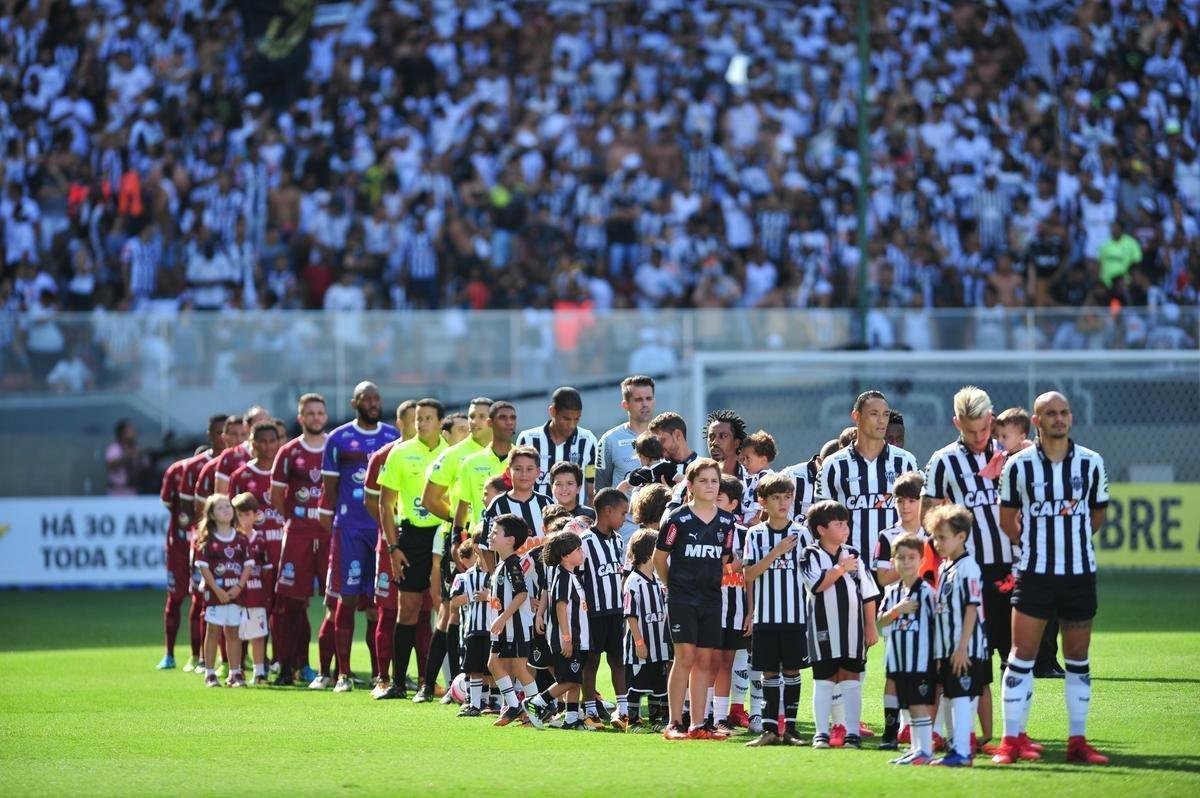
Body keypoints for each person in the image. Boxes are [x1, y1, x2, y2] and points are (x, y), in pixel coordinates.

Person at [994, 391, 1110, 766]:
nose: (1059, 419)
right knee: (1021, 656)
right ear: (1036, 420)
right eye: (1051, 413)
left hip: (1078, 575)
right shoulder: (1019, 466)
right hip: (1034, 573)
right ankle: (1011, 741)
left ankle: (1078, 741)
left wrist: (1069, 544)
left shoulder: (1092, 463)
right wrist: (1037, 545)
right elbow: (1007, 519)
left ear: (1070, 418)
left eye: (1064, 412)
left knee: (1078, 658)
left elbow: (1096, 517)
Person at [818, 390, 917, 740]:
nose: (880, 421)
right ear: (856, 416)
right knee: (848, 648)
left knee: (905, 645)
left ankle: (906, 725)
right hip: (850, 569)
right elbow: (823, 518)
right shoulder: (834, 466)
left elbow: (916, 515)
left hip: (897, 569)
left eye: (885, 414)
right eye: (873, 413)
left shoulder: (905, 461)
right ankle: (842, 722)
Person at [921, 386, 1013, 752]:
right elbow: (929, 517)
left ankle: (1012, 736)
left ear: (991, 420)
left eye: (983, 429)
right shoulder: (942, 461)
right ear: (956, 423)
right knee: (962, 653)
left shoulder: (1013, 455)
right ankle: (960, 732)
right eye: (970, 430)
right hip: (962, 573)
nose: (978, 438)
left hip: (1007, 567)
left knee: (1011, 653)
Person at [319, 381, 400, 693]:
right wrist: (344, 519)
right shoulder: (338, 438)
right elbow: (329, 491)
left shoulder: (392, 437)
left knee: (378, 604)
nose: (373, 402)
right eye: (366, 397)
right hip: (350, 530)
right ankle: (343, 673)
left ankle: (382, 673)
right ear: (354, 402)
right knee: (346, 598)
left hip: (381, 530)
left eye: (377, 397)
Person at [654, 457, 738, 741]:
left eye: (715, 480)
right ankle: (675, 722)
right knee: (685, 657)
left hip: (712, 599)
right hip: (682, 600)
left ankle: (699, 723)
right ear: (689, 485)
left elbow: (724, 558)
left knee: (706, 659)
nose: (710, 485)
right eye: (703, 480)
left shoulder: (727, 521)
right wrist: (673, 587)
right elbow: (659, 558)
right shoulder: (677, 519)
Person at [419, 398, 494, 704]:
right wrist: (460, 529)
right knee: (452, 613)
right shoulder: (457, 456)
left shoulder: (512, 454)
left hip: (500, 548)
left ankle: (494, 687)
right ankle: (446, 684)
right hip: (469, 547)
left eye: (480, 417)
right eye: (471, 416)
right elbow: (431, 498)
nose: (474, 421)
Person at [378, 398, 449, 701]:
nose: (421, 424)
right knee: (407, 609)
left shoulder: (451, 452)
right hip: (411, 537)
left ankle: (439, 684)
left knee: (445, 609)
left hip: (443, 533)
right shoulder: (400, 452)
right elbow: (385, 502)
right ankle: (397, 682)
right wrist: (393, 547)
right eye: (418, 418)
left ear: (439, 421)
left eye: (428, 418)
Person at [801, 499, 880, 749]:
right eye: (838, 524)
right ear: (822, 529)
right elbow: (816, 585)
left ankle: (852, 733)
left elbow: (868, 593)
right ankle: (822, 733)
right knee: (824, 679)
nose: (845, 528)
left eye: (846, 523)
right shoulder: (810, 554)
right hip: (822, 628)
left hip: (853, 630)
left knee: (851, 678)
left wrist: (870, 626)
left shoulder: (854, 554)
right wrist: (840, 568)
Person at [742, 472, 813, 748]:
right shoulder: (756, 534)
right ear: (764, 502)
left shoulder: (803, 533)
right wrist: (776, 551)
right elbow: (748, 574)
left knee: (792, 670)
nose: (782, 503)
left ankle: (791, 729)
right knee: (769, 672)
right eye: (775, 498)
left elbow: (811, 574)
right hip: (766, 616)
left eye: (786, 497)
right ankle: (770, 730)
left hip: (795, 615)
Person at [995, 406, 1063, 678]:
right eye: (998, 436)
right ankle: (1034, 661)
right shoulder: (1002, 463)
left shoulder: (1031, 462)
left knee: (1051, 607)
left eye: (1004, 436)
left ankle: (1049, 659)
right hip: (1015, 550)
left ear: (1023, 435)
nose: (999, 442)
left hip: (1039, 545)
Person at [270, 393, 329, 687]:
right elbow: (277, 497)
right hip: (298, 536)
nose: (316, 417)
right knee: (293, 604)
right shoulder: (288, 452)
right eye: (310, 413)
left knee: (337, 604)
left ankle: (331, 670)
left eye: (320, 412)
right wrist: (297, 520)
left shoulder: (335, 447)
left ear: (326, 416)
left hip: (331, 535)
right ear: (300, 418)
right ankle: (288, 666)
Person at [927, 505, 989, 767]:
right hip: (948, 649)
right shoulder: (945, 568)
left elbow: (972, 608)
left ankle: (963, 752)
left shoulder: (969, 568)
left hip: (966, 648)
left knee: (962, 699)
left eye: (942, 537)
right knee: (951, 698)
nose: (936, 543)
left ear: (961, 537)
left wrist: (963, 647)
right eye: (935, 537)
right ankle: (956, 749)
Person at [876, 534, 938, 764]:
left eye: (911, 557)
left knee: (919, 706)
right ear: (893, 561)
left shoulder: (928, 593)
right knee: (909, 707)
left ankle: (925, 752)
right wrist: (896, 611)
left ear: (922, 560)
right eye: (901, 558)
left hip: (921, 661)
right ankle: (915, 749)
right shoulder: (893, 592)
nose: (906, 562)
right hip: (898, 660)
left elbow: (937, 625)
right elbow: (880, 622)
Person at [524, 530, 593, 731]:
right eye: (578, 549)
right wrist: (566, 637)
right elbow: (560, 607)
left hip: (579, 638)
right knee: (567, 680)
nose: (582, 553)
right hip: (568, 638)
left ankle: (571, 717)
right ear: (565, 555)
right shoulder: (563, 577)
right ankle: (536, 703)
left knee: (575, 678)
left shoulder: (572, 576)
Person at [177, 414, 229, 674]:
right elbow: (191, 508)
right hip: (207, 541)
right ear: (211, 434)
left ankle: (229, 659)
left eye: (228, 432)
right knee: (201, 597)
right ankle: (196, 655)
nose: (224, 437)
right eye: (219, 432)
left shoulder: (239, 462)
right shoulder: (202, 467)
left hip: (233, 542)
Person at [578, 488, 630, 728]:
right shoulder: (585, 542)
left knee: (618, 660)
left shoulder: (618, 541)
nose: (624, 518)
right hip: (593, 613)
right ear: (608, 512)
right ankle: (590, 710)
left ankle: (623, 710)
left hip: (615, 611)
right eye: (622, 513)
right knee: (591, 661)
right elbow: (578, 578)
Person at [485, 514, 539, 727]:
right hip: (503, 627)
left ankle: (538, 708)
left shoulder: (513, 564)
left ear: (510, 540)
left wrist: (502, 618)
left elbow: (521, 594)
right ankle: (514, 705)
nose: (490, 535)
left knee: (519, 669)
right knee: (493, 662)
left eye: (495, 532)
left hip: (515, 627)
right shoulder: (501, 565)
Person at [194, 494, 252, 688]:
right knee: (213, 631)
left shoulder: (241, 538)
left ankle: (235, 673)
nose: (226, 510)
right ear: (211, 514)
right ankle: (210, 673)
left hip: (236, 594)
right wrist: (217, 589)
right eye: (220, 508)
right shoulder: (207, 540)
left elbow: (247, 565)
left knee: (234, 632)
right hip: (215, 594)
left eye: (228, 506)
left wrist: (239, 587)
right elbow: (203, 567)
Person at [712, 475, 754, 733]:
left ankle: (720, 717)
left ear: (733, 503)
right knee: (706, 662)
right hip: (710, 607)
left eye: (719, 498)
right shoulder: (703, 528)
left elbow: (751, 576)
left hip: (736, 610)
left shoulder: (745, 535)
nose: (713, 502)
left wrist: (751, 611)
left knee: (726, 662)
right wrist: (729, 566)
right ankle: (701, 714)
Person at [621, 529, 672, 732]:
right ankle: (632, 722)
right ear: (650, 552)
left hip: (660, 646)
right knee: (637, 684)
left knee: (658, 685)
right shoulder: (633, 581)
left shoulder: (658, 580)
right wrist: (639, 642)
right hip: (641, 647)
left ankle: (657, 720)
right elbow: (630, 615)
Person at [516, 386, 599, 500]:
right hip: (536, 516)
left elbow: (591, 484)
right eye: (566, 419)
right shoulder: (528, 439)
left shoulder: (588, 440)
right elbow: (517, 483)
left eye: (577, 419)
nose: (572, 425)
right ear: (552, 411)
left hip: (573, 517)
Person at [455, 402, 518, 533]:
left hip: (516, 542)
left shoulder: (523, 461)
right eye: (503, 418)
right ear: (490, 423)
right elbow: (462, 507)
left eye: (513, 418)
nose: (509, 422)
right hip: (479, 540)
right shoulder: (471, 462)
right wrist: (456, 540)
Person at [480, 446, 554, 555]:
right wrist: (494, 572)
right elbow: (486, 547)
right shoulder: (498, 504)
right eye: (518, 469)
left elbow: (556, 541)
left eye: (529, 469)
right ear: (508, 472)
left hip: (543, 571)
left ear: (538, 472)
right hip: (508, 571)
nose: (524, 474)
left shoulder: (547, 503)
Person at [232, 492, 273, 685]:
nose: (242, 519)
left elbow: (266, 570)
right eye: (239, 515)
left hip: (256, 595)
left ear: (255, 515)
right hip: (237, 596)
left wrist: (265, 594)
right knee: (236, 635)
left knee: (258, 635)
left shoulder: (260, 540)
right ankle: (236, 671)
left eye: (246, 514)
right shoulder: (231, 540)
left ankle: (259, 673)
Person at [449, 536, 491, 717]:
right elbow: (454, 601)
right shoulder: (465, 576)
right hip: (472, 629)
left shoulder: (497, 573)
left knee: (492, 669)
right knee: (473, 668)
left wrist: (488, 596)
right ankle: (474, 703)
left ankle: (493, 702)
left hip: (493, 628)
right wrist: (475, 597)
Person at [596, 375, 657, 493]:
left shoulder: (664, 436)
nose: (645, 404)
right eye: (638, 399)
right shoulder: (609, 440)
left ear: (654, 402)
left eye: (648, 398)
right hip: (625, 512)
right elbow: (600, 491)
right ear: (625, 405)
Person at [875, 472, 927, 587]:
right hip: (897, 600)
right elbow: (882, 579)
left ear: (922, 501)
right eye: (900, 501)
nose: (905, 506)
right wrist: (913, 563)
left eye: (911, 501)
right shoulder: (886, 536)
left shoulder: (931, 533)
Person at [106, 419, 148, 495]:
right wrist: (127, 456)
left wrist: (141, 456)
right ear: (122, 433)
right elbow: (110, 465)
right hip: (116, 491)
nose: (134, 433)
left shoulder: (137, 447)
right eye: (130, 430)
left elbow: (146, 466)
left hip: (133, 490)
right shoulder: (114, 448)